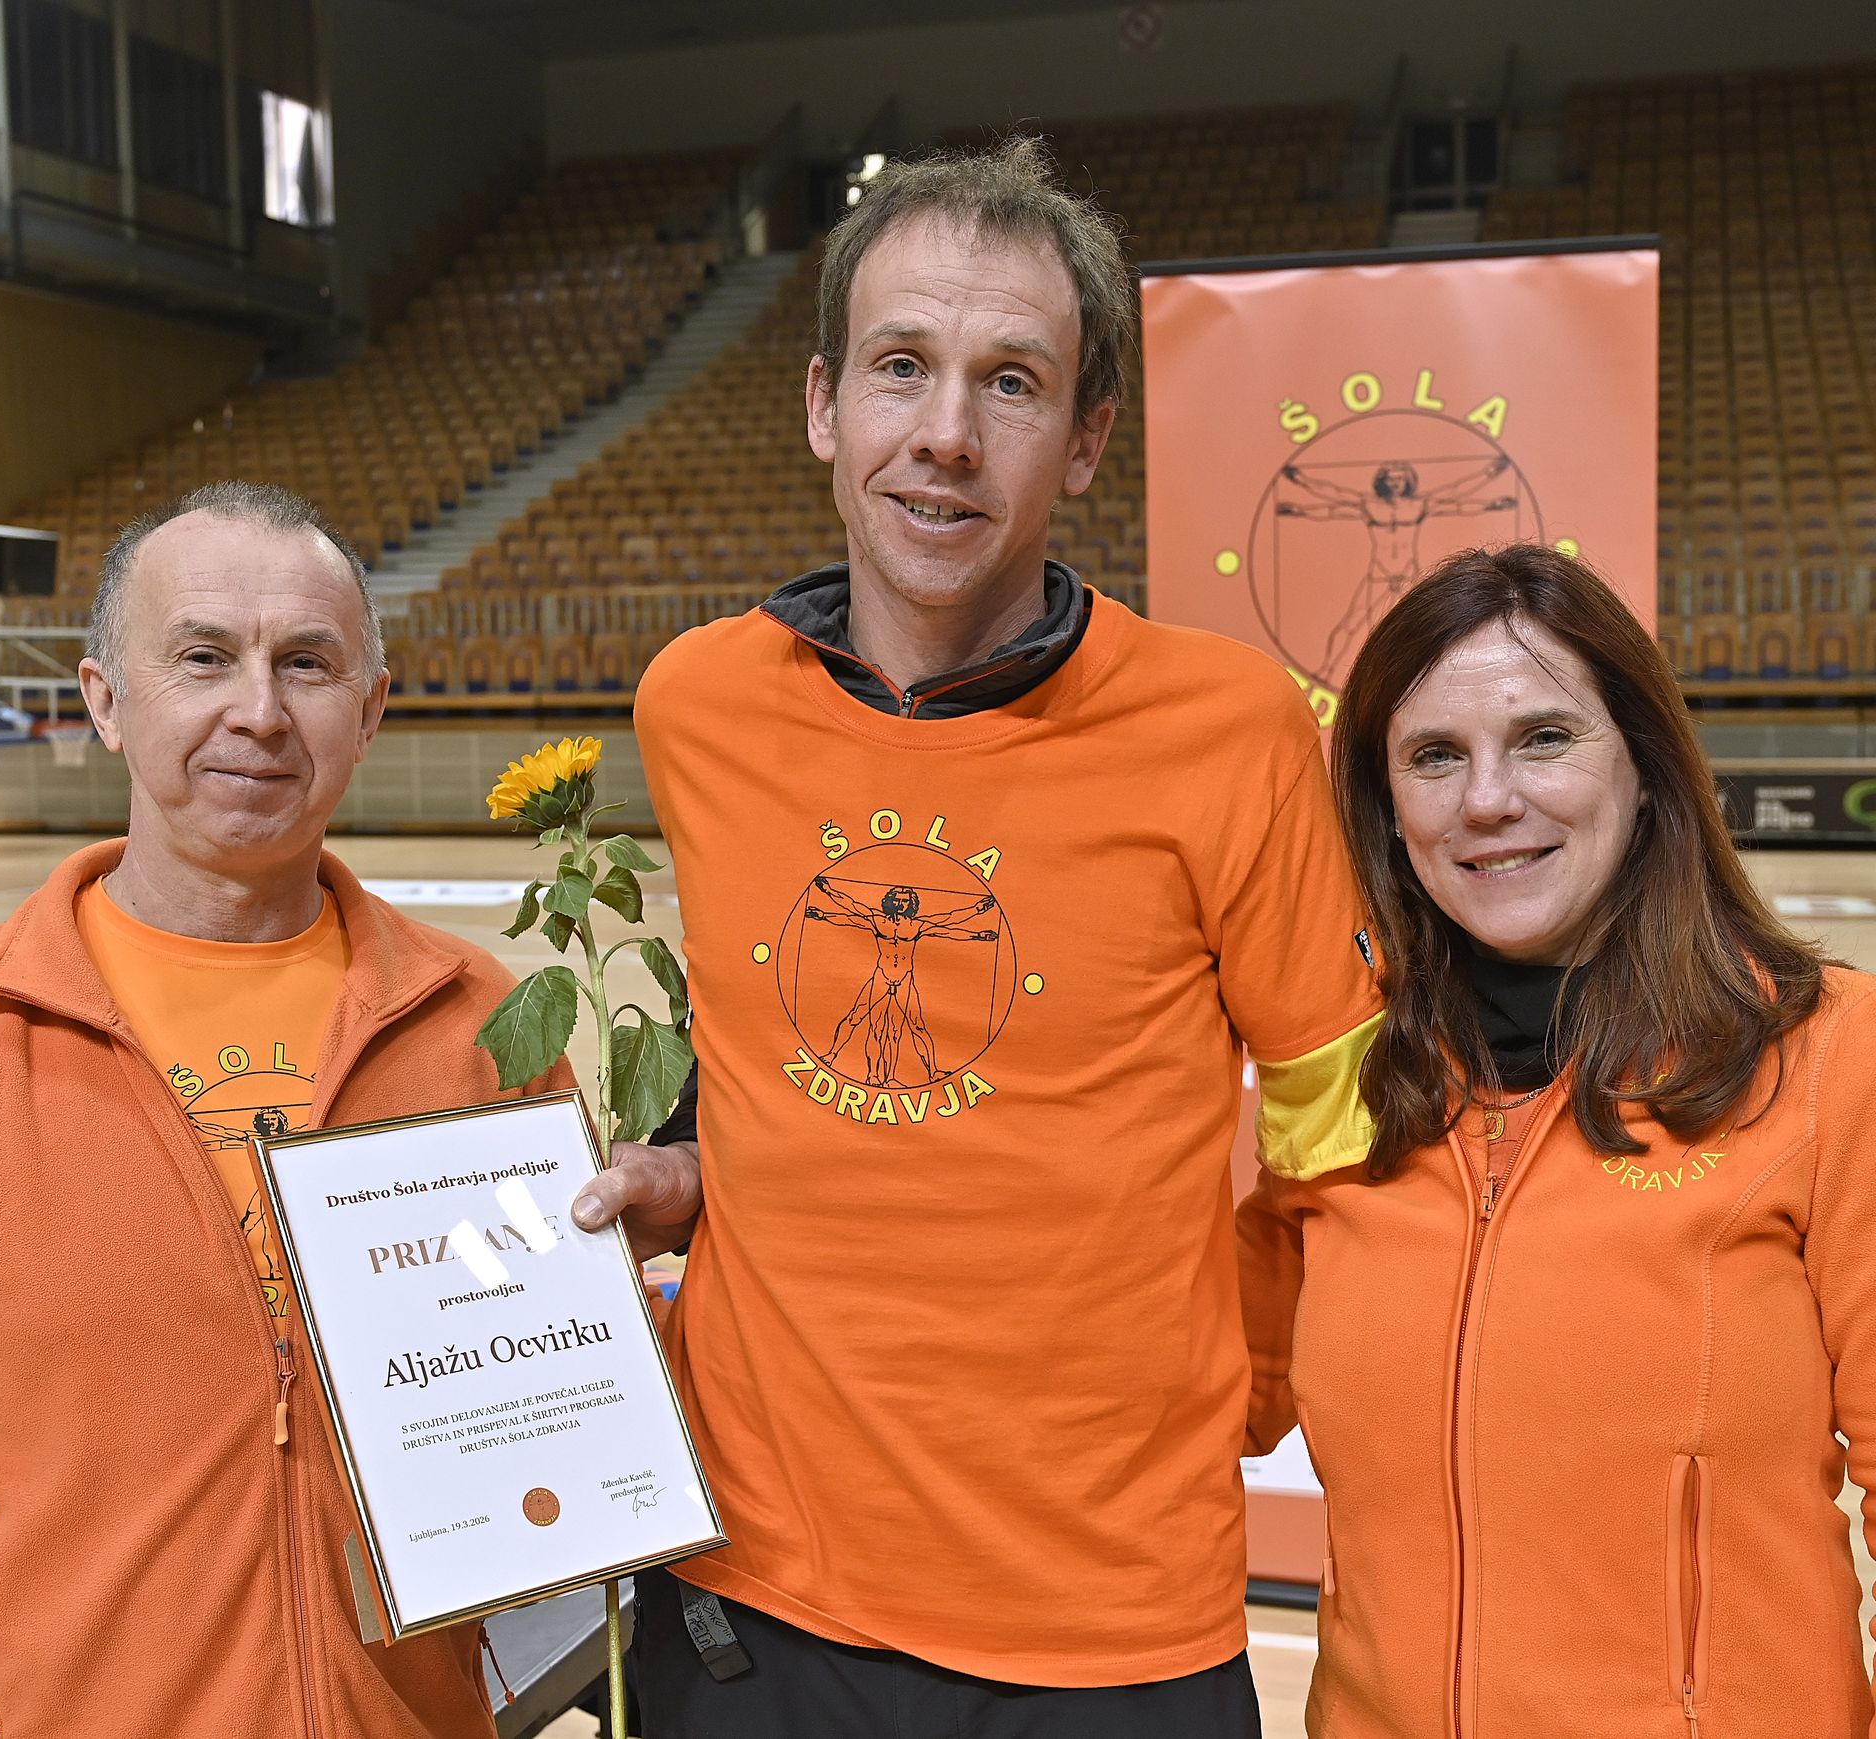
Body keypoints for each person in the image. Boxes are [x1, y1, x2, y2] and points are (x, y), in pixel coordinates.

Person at [571, 137, 1382, 1738]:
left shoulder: (1229, 730)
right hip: (749, 1603)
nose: (945, 433)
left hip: (1107, 1625)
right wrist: (701, 1166)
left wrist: (1239, 1381)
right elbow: (779, 1055)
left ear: (1085, 441)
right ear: (824, 404)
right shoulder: (698, 704)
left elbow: (1341, 1129)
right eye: (902, 367)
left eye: (1011, 383)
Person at [0, 481, 580, 1738]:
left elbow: (557, 1403)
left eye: (307, 662)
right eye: (203, 657)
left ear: (371, 711)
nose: (259, 709)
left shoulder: (484, 1022)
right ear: (104, 702)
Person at [1237, 542, 1876, 1738]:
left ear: (1645, 766)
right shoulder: (1347, 1092)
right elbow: (1191, 1394)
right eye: (1435, 754)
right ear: (1386, 809)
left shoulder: (1830, 1054)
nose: (1487, 798)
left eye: (1543, 737)